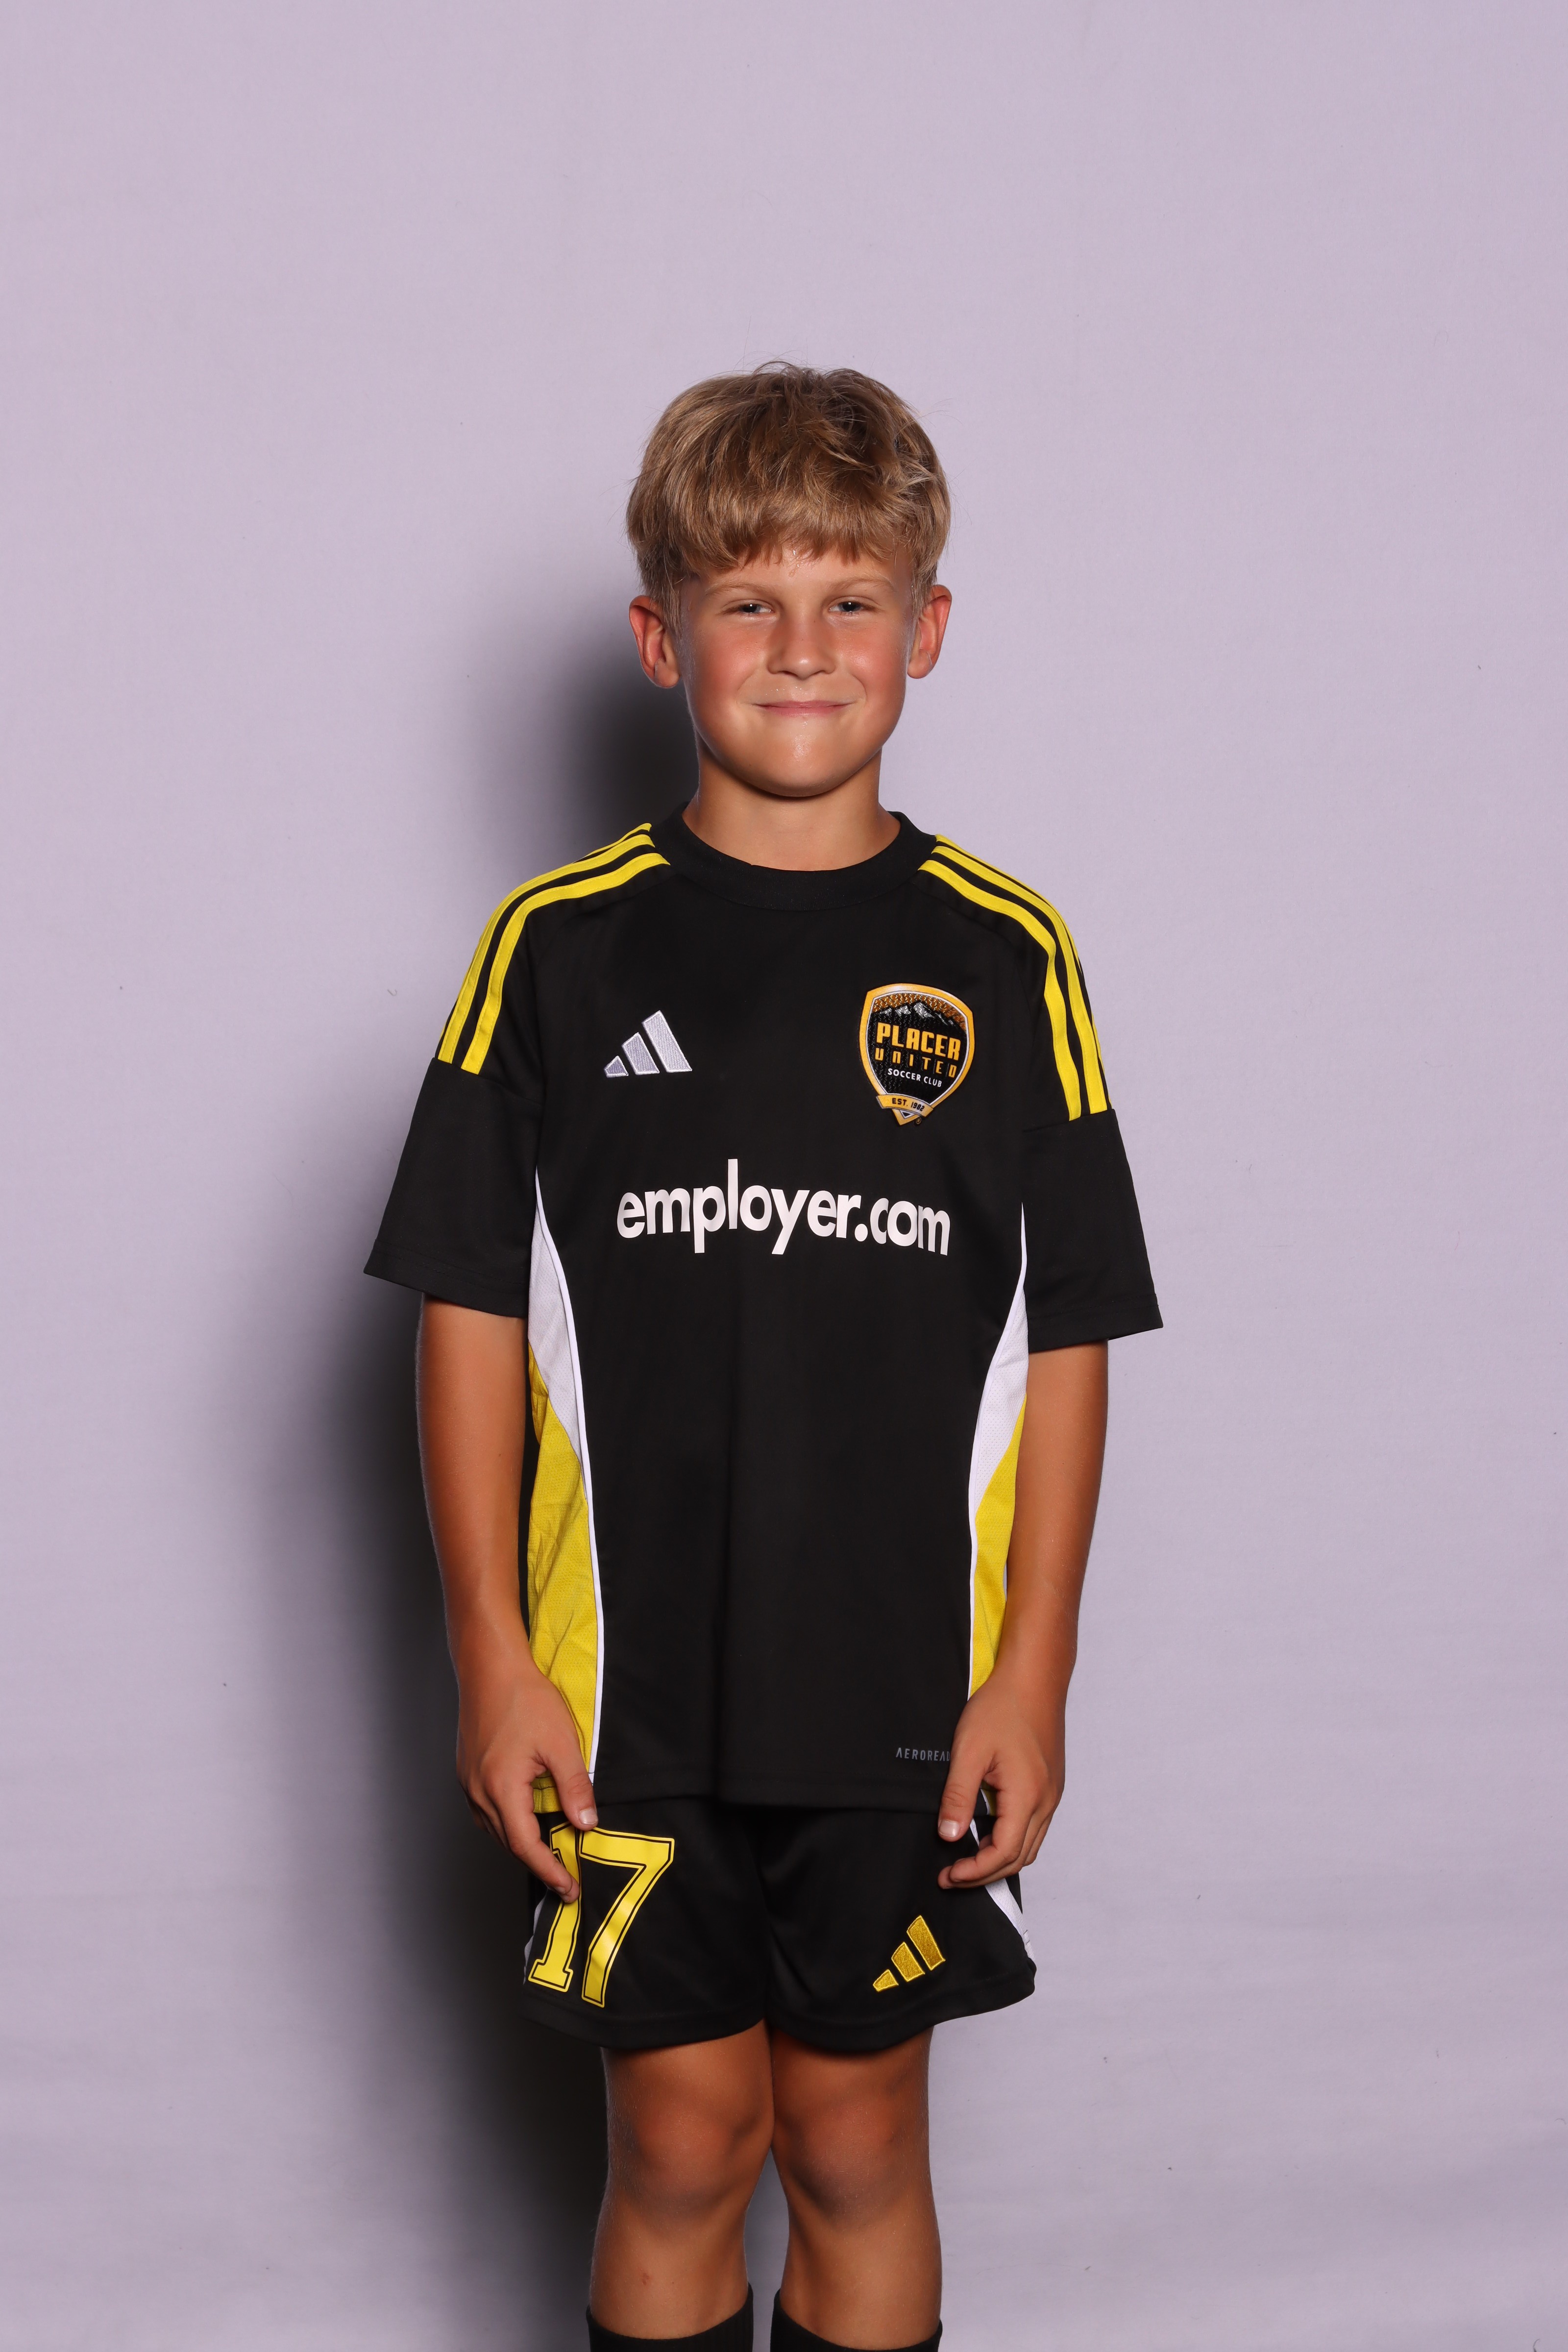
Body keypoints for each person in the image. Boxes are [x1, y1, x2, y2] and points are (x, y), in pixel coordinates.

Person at [366, 364, 1161, 2352]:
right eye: (748, 601)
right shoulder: (554, 950)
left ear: (925, 628)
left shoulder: (1008, 959)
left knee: (857, 2143)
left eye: (848, 599)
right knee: (682, 2144)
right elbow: (469, 1311)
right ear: (662, 638)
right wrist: (489, 1657)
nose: (802, 647)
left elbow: (1065, 1333)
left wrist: (1035, 1671)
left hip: (899, 1682)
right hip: (630, 1694)